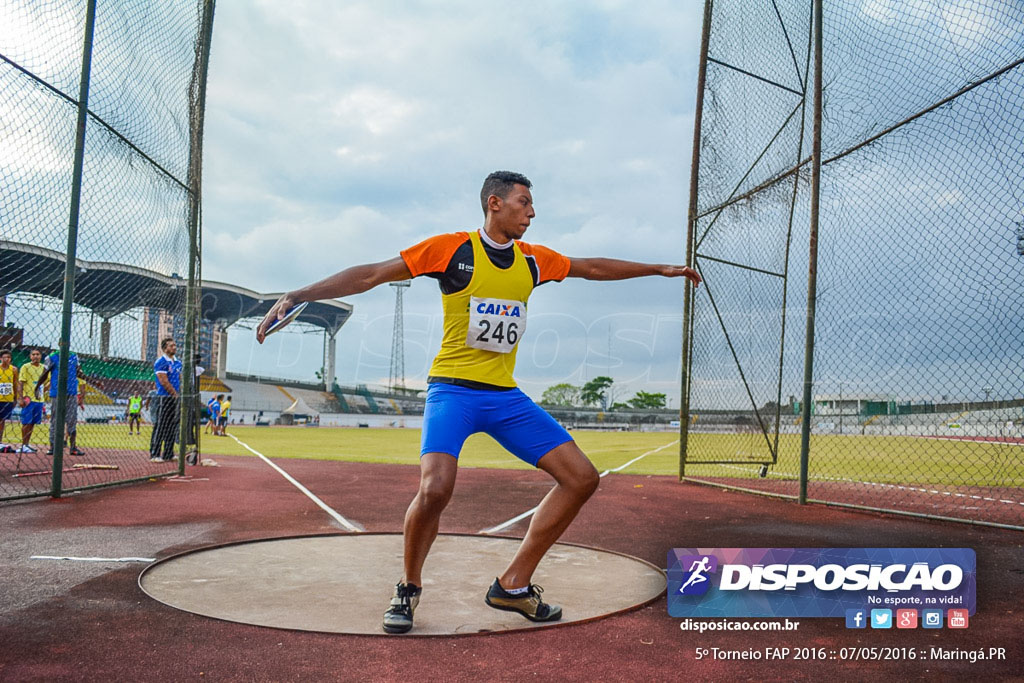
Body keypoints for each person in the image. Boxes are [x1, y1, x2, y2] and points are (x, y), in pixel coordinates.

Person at [256, 171, 702, 634]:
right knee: (435, 488)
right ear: (495, 203)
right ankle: (408, 587)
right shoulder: (452, 249)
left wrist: (659, 269)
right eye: (523, 202)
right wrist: (299, 294)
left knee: (581, 478)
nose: (532, 212)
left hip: (505, 397)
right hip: (452, 389)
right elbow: (371, 274)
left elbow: (590, 267)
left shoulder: (533, 261)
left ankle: (513, 584)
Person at [36, 346, 85, 456]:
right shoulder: (52, 357)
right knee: (55, 420)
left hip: (71, 392)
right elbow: (45, 373)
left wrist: (92, 381)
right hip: (57, 392)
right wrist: (37, 387)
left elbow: (78, 372)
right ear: (59, 344)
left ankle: (73, 447)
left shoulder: (73, 356)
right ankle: (53, 446)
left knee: (72, 420)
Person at [149, 337, 182, 462]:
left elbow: (179, 379)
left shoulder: (178, 362)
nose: (174, 347)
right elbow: (163, 381)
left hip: (174, 397)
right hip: (164, 397)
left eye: (174, 345)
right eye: (171, 345)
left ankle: (168, 453)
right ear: (164, 348)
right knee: (161, 425)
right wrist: (175, 394)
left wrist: (179, 393)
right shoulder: (161, 362)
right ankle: (155, 453)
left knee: (171, 426)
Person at [18, 348, 46, 453]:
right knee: (26, 422)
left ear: (41, 356)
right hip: (28, 399)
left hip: (39, 400)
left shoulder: (43, 368)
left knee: (33, 423)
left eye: (37, 354)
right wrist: (21, 398)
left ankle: (27, 444)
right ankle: (24, 444)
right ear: (30, 356)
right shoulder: (26, 367)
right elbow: (20, 383)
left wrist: (42, 391)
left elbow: (47, 382)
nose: (35, 356)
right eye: (33, 354)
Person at [0, 349, 19, 446]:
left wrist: (16, 398)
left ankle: (0, 440)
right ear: (0, 358)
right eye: (4, 357)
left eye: (8, 357)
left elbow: (15, 384)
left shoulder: (14, 370)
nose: (6, 359)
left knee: (2, 421)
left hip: (8, 399)